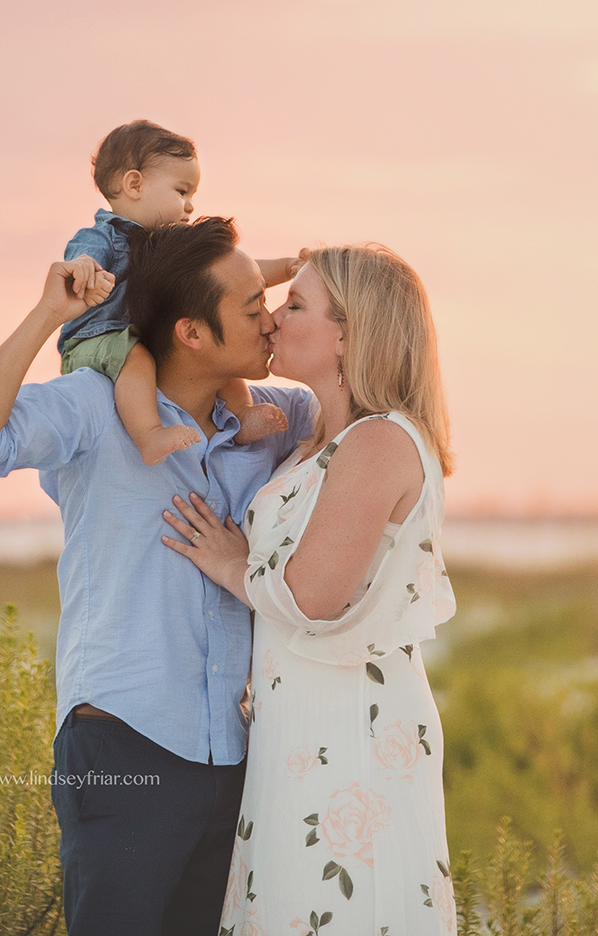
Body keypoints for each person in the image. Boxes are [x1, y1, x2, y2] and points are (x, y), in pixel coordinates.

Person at [0, 216, 318, 936]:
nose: (269, 320)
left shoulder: (270, 419)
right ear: (192, 333)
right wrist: (49, 314)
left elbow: (366, 413)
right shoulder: (94, 408)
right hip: (124, 747)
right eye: (250, 308)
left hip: (231, 755)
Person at [159, 244, 458, 934]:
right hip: (301, 725)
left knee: (343, 907)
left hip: (352, 728)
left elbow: (314, 595)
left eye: (295, 304)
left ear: (348, 332)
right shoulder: (317, 442)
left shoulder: (380, 441)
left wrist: (231, 565)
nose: (273, 316)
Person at [59, 119, 306, 463]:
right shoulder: (104, 236)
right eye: (181, 192)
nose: (190, 206)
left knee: (221, 361)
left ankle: (242, 413)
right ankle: (149, 435)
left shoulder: (161, 247)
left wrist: (286, 267)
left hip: (129, 338)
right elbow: (81, 261)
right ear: (134, 184)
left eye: (192, 195)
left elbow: (236, 278)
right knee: (138, 358)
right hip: (94, 339)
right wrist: (86, 269)